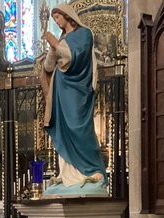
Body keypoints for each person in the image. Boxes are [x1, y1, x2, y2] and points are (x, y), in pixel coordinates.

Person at [40, 3, 107, 195]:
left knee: (79, 127)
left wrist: (55, 43)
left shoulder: (84, 34)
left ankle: (92, 170)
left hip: (78, 91)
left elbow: (74, 56)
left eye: (58, 17)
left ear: (67, 16)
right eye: (54, 19)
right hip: (61, 89)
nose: (56, 21)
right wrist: (52, 48)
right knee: (63, 128)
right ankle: (70, 175)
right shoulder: (62, 38)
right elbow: (48, 66)